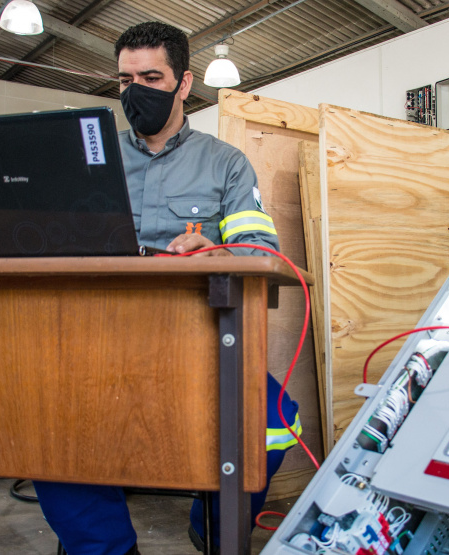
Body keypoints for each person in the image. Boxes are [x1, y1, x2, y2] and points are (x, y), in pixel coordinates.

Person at [32, 21, 302, 555]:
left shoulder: (225, 164)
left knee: (274, 424)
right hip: (96, 339)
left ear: (184, 83)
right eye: (125, 79)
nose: (136, 91)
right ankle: (105, 547)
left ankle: (217, 524)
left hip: (196, 340)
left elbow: (262, 251)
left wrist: (215, 252)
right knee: (41, 425)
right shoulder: (91, 160)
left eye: (151, 78)